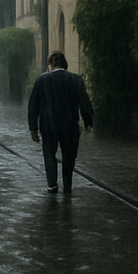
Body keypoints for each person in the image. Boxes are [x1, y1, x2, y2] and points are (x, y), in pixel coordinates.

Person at [27, 50, 94, 193]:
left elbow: (33, 106)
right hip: (70, 125)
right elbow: (84, 102)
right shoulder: (75, 79)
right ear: (65, 64)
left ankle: (52, 184)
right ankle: (67, 185)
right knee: (69, 155)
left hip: (48, 126)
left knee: (49, 154)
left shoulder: (41, 80)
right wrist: (88, 121)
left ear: (51, 64)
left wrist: (33, 128)